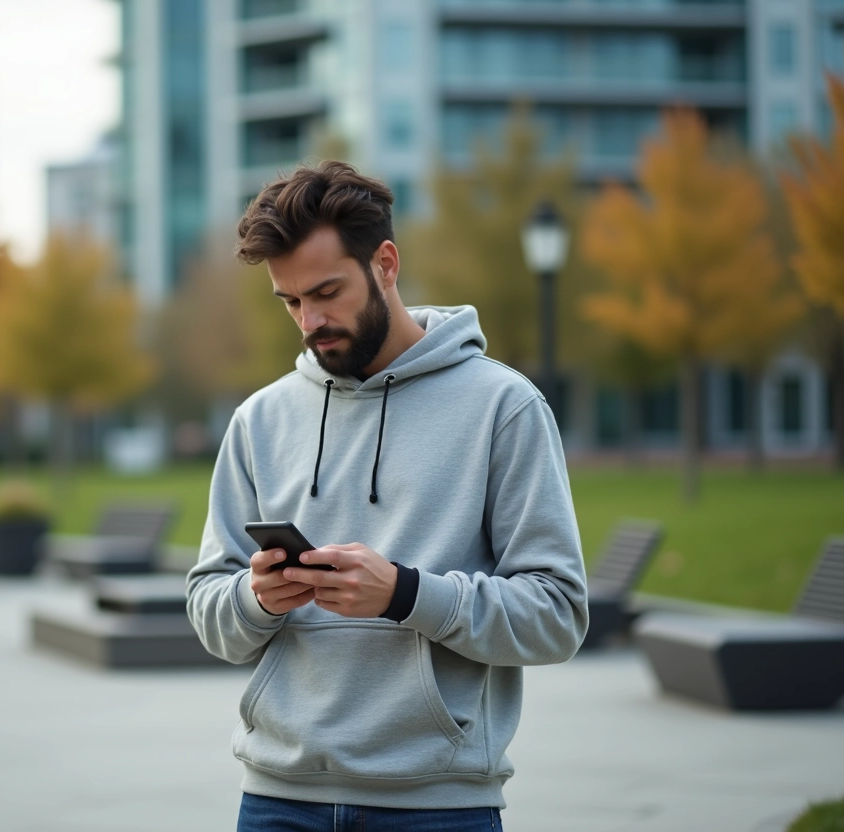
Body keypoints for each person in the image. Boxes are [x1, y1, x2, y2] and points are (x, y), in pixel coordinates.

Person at [186, 160, 588, 831]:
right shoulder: (260, 420)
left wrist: (406, 594)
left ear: (386, 263)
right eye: (289, 302)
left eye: (327, 292)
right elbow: (207, 609)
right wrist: (255, 599)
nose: (310, 320)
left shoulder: (504, 408)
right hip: (277, 800)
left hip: (437, 808)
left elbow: (557, 615)